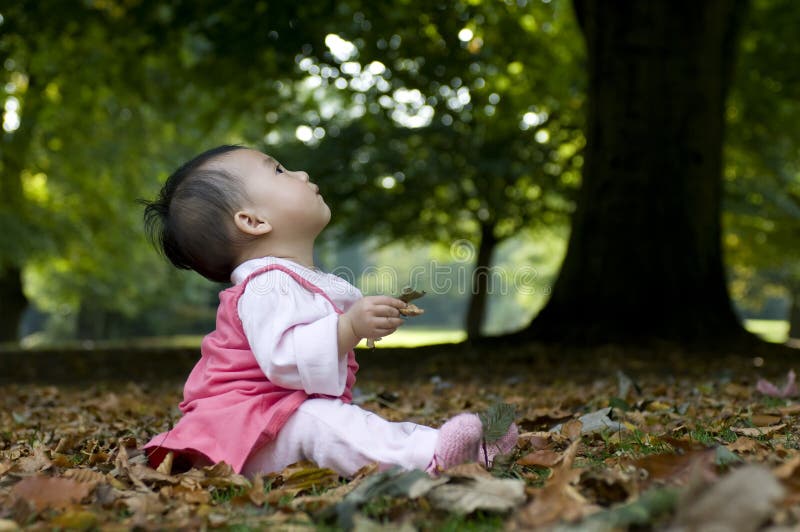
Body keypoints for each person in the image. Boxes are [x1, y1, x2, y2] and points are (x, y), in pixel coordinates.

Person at [141, 145, 517, 477]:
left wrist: (361, 322)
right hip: (249, 427)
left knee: (353, 425)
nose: (301, 173)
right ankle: (435, 456)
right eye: (278, 171)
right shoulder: (263, 286)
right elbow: (283, 359)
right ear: (253, 221)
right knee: (330, 426)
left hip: (273, 416)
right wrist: (349, 327)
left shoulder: (289, 279)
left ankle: (464, 447)